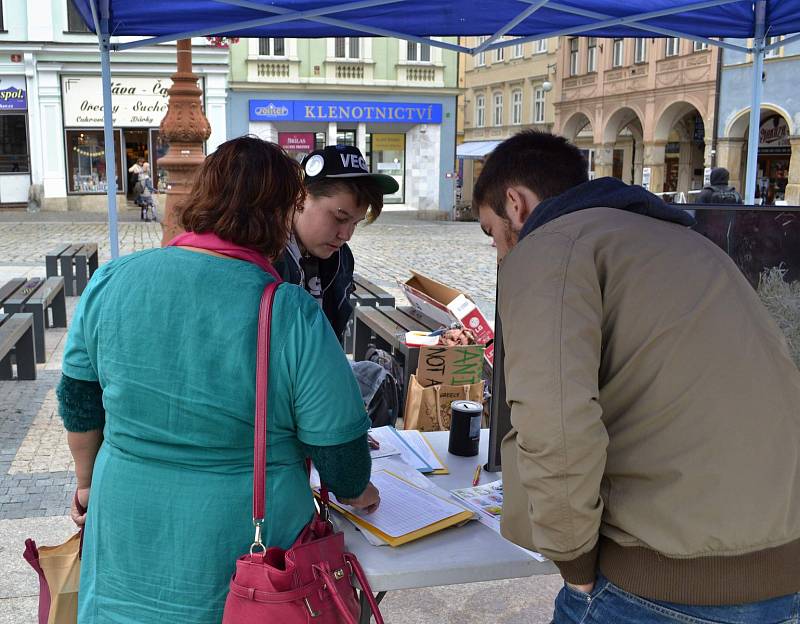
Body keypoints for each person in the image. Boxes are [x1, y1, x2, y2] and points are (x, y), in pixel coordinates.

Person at [473, 130, 800, 623]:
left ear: (516, 205)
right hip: (782, 570)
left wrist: (575, 565)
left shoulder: (548, 248)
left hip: (664, 583)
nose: (500, 253)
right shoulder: (690, 243)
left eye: (492, 234)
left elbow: (554, 425)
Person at [57, 136, 380, 623]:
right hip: (248, 551)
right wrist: (359, 491)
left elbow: (79, 401)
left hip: (125, 521)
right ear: (279, 215)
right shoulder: (287, 310)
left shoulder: (112, 280)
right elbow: (345, 465)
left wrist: (86, 484)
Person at [275, 144, 398, 344]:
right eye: (340, 218)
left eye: (355, 223)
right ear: (301, 196)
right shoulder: (266, 257)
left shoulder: (342, 258)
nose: (346, 235)